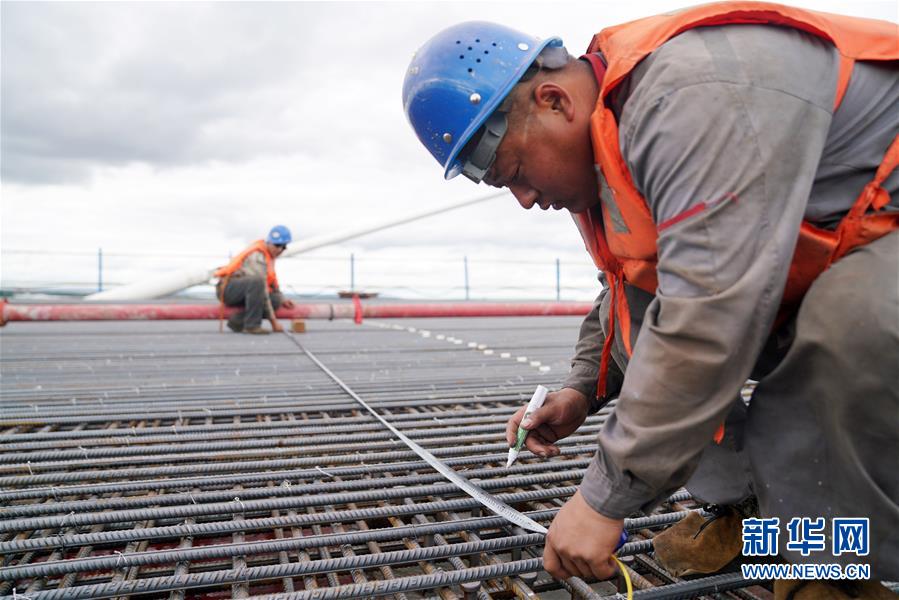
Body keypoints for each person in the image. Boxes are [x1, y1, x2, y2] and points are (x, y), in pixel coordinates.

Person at [403, 4, 898, 598]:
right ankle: (754, 519)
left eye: (515, 173)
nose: (526, 200)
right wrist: (581, 390)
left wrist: (601, 500)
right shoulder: (605, 153)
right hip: (835, 240)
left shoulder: (686, 101)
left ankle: (835, 570)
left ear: (555, 101)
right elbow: (632, 287)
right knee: (648, 328)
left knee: (846, 326)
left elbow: (708, 310)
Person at [214, 225, 295, 334]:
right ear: (269, 242)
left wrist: (282, 299)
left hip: (246, 291)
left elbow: (272, 286)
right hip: (228, 289)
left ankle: (238, 321)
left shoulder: (269, 257)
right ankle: (252, 326)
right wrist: (274, 322)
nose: (280, 249)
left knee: (276, 300)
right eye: (277, 245)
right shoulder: (257, 256)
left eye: (284, 247)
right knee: (257, 281)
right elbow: (262, 289)